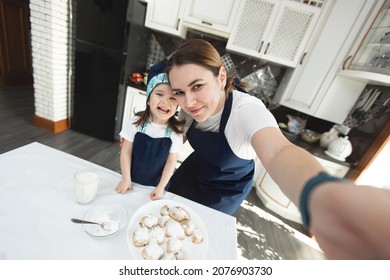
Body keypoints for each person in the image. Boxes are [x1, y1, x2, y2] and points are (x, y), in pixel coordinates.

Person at [164, 39, 390, 259]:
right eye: (179, 92)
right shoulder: (188, 107)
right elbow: (177, 136)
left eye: (198, 86)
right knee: (165, 224)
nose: (190, 102)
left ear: (221, 77)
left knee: (189, 243)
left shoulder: (246, 112)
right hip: (192, 173)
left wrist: (322, 197)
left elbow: (279, 152)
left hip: (221, 192)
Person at [116, 62, 184, 200]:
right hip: (131, 180)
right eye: (159, 94)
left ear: (177, 105)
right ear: (148, 99)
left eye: (172, 98)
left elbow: (171, 163)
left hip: (155, 187)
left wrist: (160, 187)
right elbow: (126, 151)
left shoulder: (174, 134)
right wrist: (126, 178)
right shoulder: (135, 123)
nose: (165, 102)